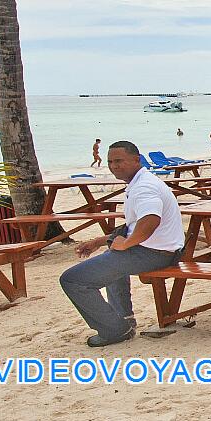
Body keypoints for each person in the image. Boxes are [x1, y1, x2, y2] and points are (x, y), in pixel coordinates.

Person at [60, 140, 185, 347]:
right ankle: (123, 318)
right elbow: (135, 225)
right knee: (111, 257)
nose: (114, 166)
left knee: (73, 280)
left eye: (119, 161)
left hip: (155, 253)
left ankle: (114, 331)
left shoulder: (144, 187)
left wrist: (126, 244)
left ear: (136, 160)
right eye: (110, 162)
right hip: (163, 249)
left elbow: (150, 220)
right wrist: (102, 241)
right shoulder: (141, 182)